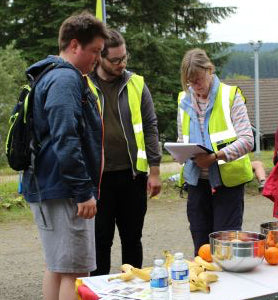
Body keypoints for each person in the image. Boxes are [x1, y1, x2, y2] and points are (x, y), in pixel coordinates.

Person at [20, 12, 107, 300]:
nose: (97, 58)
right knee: (75, 271)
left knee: (57, 266)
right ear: (74, 45)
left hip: (50, 186)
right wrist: (83, 191)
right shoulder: (65, 79)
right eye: (94, 50)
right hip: (65, 191)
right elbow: (66, 137)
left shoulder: (49, 75)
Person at [87, 29, 162, 276]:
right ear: (100, 58)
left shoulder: (136, 84)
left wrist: (155, 171)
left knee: (132, 240)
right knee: (100, 243)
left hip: (132, 178)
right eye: (116, 60)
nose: (122, 64)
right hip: (98, 181)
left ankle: (134, 290)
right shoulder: (83, 84)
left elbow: (150, 127)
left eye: (124, 58)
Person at [176, 48, 255, 254]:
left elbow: (247, 140)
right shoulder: (183, 100)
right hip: (197, 183)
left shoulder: (231, 95)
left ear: (210, 70)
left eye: (199, 80)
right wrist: (180, 152)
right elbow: (181, 137)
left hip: (227, 184)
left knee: (225, 248)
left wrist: (215, 157)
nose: (195, 87)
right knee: (201, 249)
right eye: (190, 82)